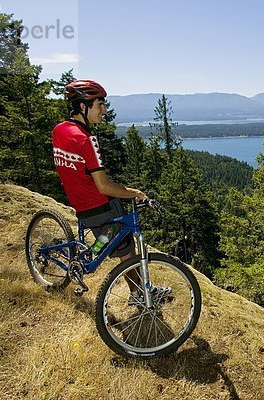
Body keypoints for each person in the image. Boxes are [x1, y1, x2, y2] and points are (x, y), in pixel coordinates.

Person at [52, 79, 169, 303]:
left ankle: (98, 249)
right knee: (125, 248)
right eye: (100, 105)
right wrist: (135, 192)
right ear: (83, 107)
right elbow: (104, 186)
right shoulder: (87, 140)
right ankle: (139, 294)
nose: (104, 111)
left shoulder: (60, 130)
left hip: (79, 203)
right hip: (100, 205)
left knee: (109, 240)